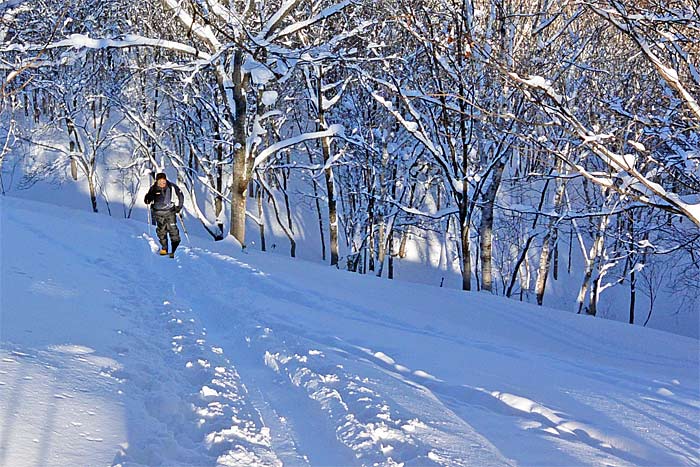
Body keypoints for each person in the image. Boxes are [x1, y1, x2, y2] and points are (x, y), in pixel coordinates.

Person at [144, 172, 184, 258]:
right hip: (158, 213)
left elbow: (180, 195)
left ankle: (174, 250)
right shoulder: (153, 188)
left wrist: (179, 207)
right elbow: (148, 199)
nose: (162, 183)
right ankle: (164, 249)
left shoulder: (172, 187)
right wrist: (148, 199)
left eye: (163, 181)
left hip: (170, 212)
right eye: (160, 181)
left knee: (173, 230)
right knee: (161, 231)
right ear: (157, 181)